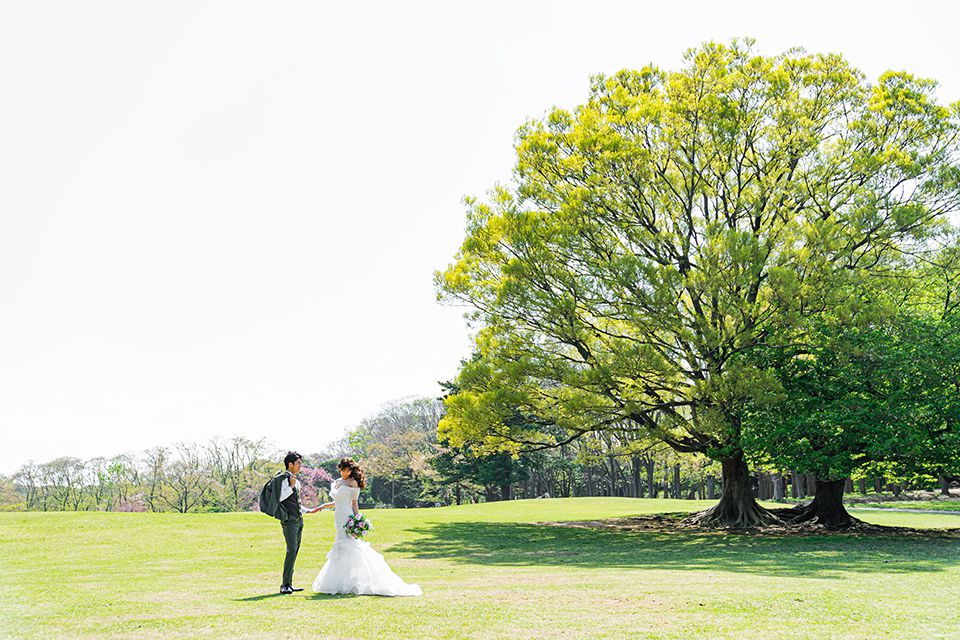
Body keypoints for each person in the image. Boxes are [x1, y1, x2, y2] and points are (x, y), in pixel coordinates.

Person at [311, 458, 422, 596]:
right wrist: (322, 506)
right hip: (338, 517)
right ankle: (342, 581)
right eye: (343, 469)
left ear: (351, 470)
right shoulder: (338, 482)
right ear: (339, 469)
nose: (345, 472)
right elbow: (337, 502)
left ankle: (357, 581)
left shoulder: (352, 482)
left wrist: (357, 520)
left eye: (348, 470)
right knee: (340, 545)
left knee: (350, 545)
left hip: (347, 516)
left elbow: (354, 504)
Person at [271, 451, 321, 594]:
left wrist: (307, 510)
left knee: (295, 551)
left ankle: (289, 584)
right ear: (290, 464)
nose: (300, 466)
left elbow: (295, 502)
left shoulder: (295, 480)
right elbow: (280, 498)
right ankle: (284, 585)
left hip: (298, 520)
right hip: (289, 521)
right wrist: (291, 486)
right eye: (298, 463)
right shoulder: (283, 479)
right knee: (291, 550)